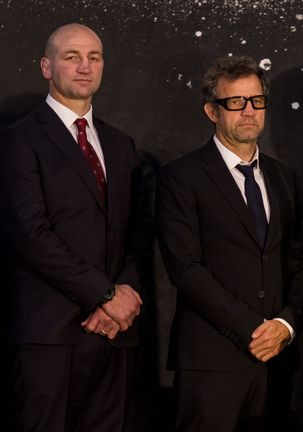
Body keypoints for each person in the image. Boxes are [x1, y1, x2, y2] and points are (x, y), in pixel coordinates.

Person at [0, 23, 145, 431]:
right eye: (72, 57)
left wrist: (123, 298)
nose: (85, 67)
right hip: (49, 335)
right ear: (47, 67)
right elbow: (32, 234)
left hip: (116, 332)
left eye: (94, 58)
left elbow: (138, 231)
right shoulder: (19, 141)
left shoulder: (120, 144)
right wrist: (103, 294)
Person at [156, 55, 303, 431]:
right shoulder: (181, 177)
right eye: (235, 102)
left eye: (257, 101)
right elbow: (186, 269)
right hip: (212, 360)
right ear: (212, 110)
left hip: (278, 359)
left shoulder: (284, 177)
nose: (248, 111)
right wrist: (256, 329)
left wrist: (285, 327)